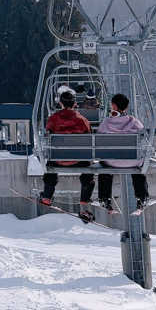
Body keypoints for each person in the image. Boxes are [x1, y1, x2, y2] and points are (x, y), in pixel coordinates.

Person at [39, 89, 95, 220]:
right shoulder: (83, 120)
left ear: (60, 103)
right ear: (75, 103)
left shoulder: (53, 119)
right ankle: (84, 202)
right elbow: (89, 137)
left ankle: (47, 196)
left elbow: (48, 136)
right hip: (79, 160)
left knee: (50, 167)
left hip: (58, 159)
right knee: (88, 172)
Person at [96, 94, 149, 214]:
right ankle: (142, 198)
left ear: (114, 106)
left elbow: (99, 139)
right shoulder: (134, 121)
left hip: (111, 162)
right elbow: (144, 139)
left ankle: (105, 199)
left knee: (104, 166)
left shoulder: (107, 122)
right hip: (132, 161)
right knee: (138, 164)